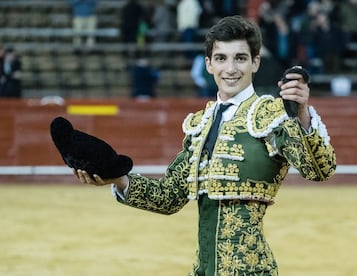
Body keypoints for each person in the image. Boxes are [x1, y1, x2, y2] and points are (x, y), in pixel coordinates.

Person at [74, 15, 336, 275]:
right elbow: (169, 197)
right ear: (209, 64)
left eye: (240, 58)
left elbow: (319, 170)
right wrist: (117, 179)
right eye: (221, 58)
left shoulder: (270, 114)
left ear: (255, 63)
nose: (230, 69)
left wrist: (301, 114)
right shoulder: (201, 124)